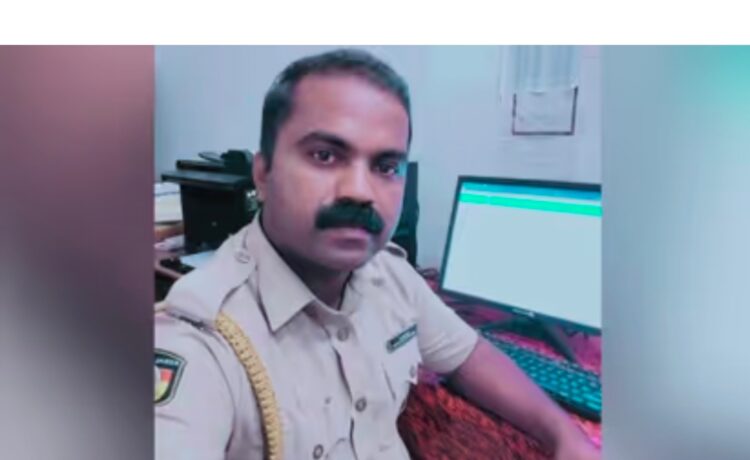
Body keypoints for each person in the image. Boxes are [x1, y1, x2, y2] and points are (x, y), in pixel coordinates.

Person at [155, 48, 600, 460]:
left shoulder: (389, 277)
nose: (360, 192)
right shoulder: (201, 337)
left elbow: (470, 356)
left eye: (386, 166)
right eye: (325, 156)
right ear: (263, 174)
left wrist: (564, 436)